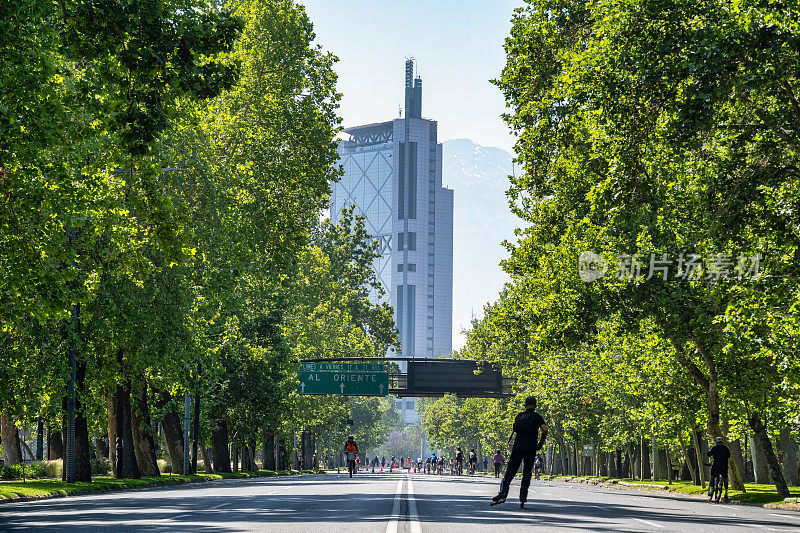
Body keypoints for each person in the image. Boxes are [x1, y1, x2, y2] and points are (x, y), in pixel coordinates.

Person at [491, 396, 547, 509]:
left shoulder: (519, 416)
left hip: (518, 447)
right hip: (531, 448)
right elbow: (545, 430)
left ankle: (503, 493)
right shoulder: (537, 417)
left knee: (510, 472)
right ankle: (522, 498)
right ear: (535, 406)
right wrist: (540, 443)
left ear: (525, 405)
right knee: (527, 473)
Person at [707, 436, 731, 501]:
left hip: (716, 465)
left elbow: (709, 454)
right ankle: (726, 492)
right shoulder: (726, 449)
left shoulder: (714, 448)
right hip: (724, 466)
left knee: (712, 477)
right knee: (725, 478)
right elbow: (729, 456)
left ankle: (711, 490)